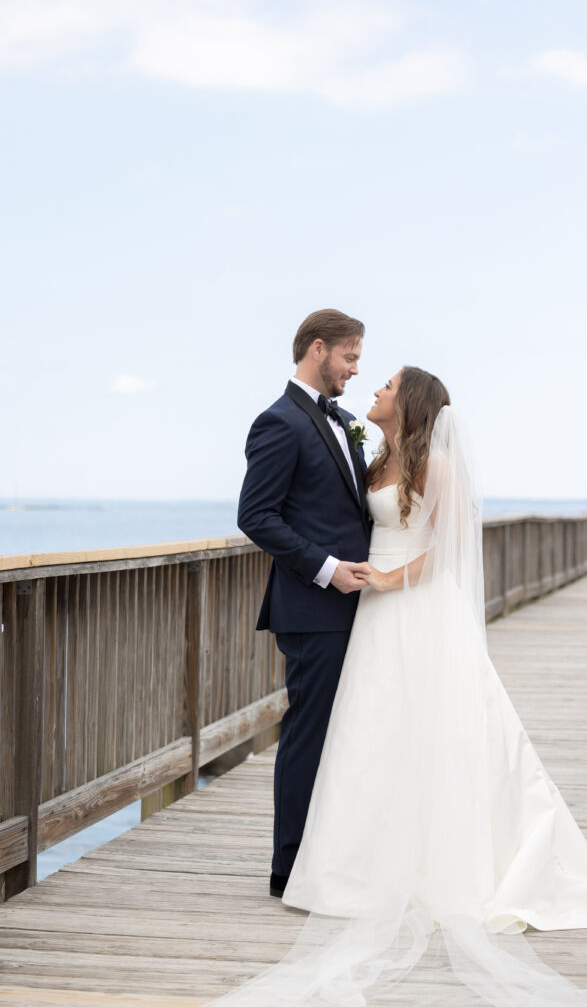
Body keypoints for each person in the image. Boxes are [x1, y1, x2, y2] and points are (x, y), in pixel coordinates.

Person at [218, 366, 587, 1006]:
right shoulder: (380, 453)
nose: (375, 387)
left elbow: (444, 547)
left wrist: (389, 581)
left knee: (438, 724)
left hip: (414, 603)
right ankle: (359, 859)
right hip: (371, 610)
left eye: (386, 383)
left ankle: (446, 858)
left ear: (409, 402)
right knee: (373, 731)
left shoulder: (435, 464)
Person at [237, 309, 372, 898]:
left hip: (357, 608)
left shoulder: (342, 420)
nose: (355, 370)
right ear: (318, 350)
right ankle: (288, 870)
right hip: (314, 609)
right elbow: (255, 516)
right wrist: (327, 570)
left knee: (348, 735)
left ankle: (333, 858)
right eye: (350, 357)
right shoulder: (279, 423)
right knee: (309, 735)